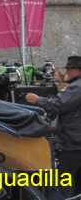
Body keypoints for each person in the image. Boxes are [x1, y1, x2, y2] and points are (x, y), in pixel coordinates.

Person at [26, 55, 81, 197]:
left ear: (77, 70)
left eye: (69, 69)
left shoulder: (77, 87)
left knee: (61, 180)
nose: (67, 73)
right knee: (75, 180)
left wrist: (37, 100)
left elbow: (58, 105)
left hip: (74, 142)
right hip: (75, 140)